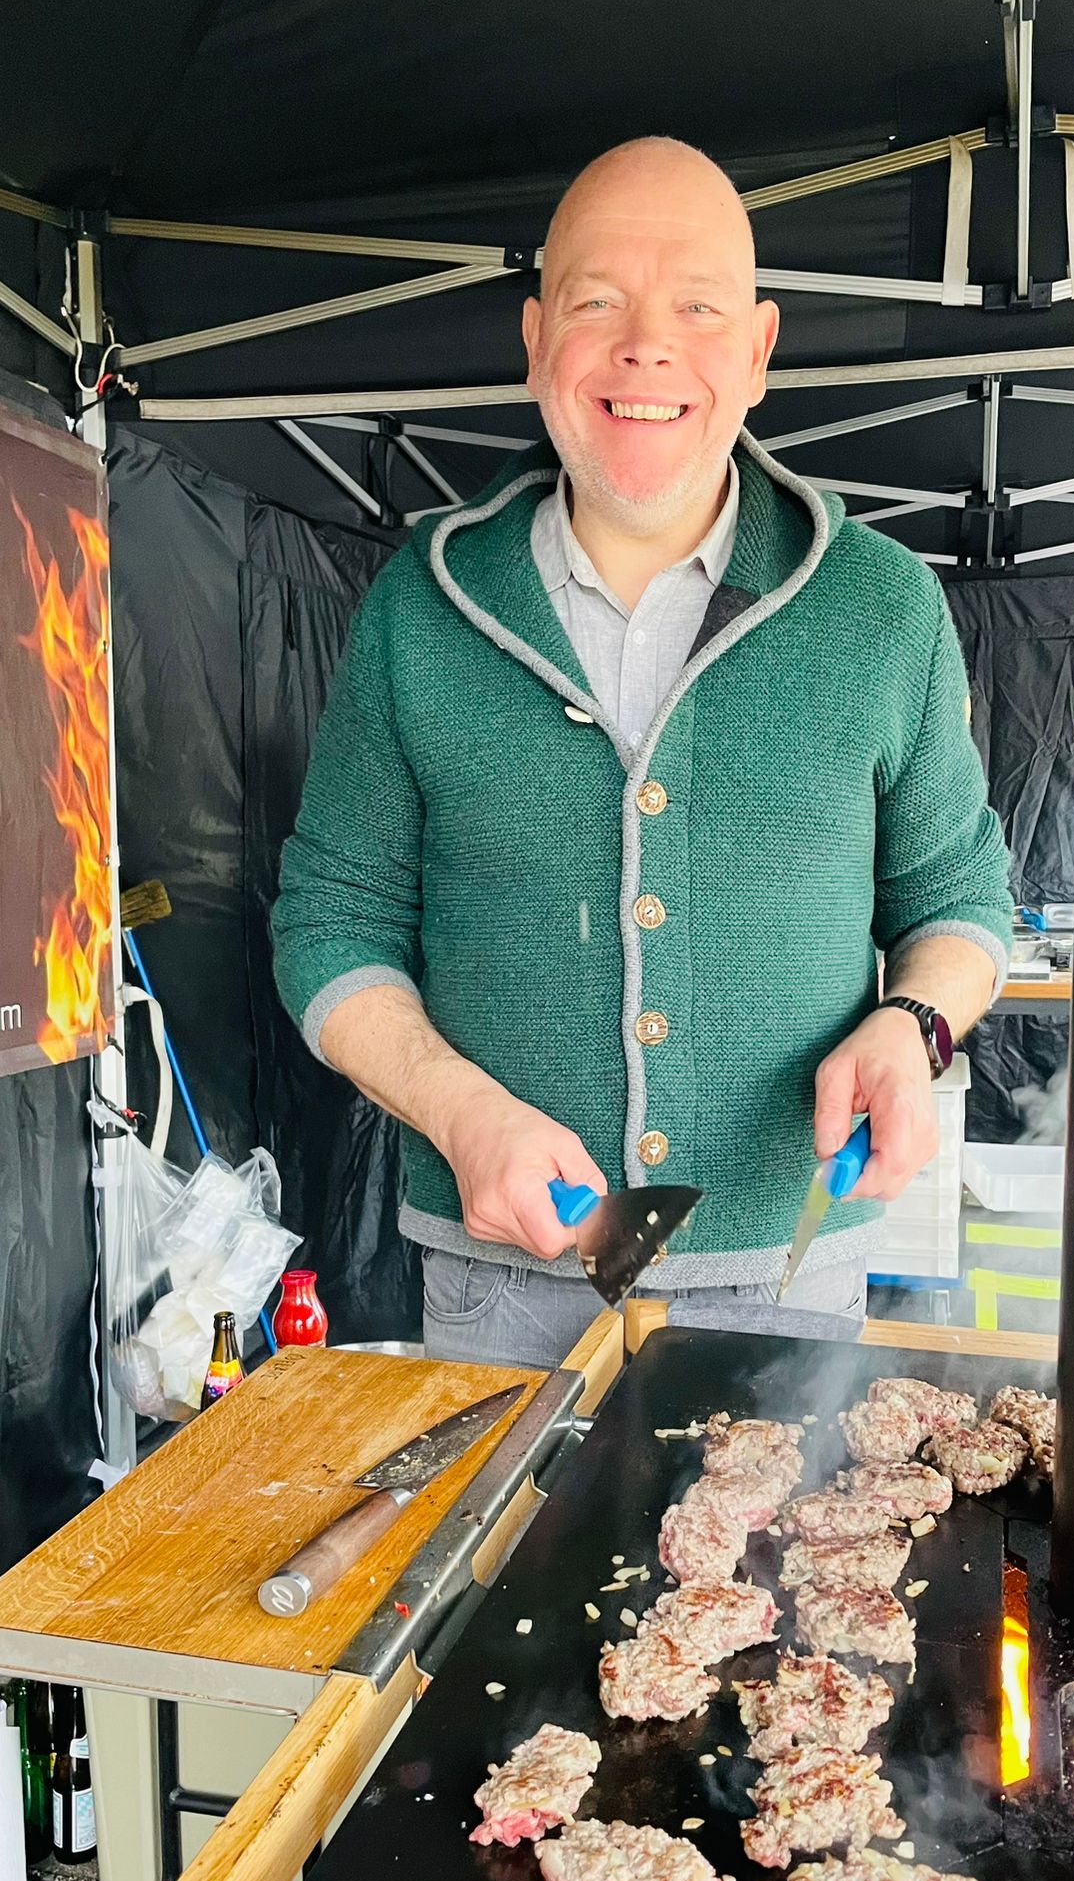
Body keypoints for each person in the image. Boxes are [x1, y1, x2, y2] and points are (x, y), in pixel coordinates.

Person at [272, 135, 1012, 1367]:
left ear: (760, 351)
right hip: (500, 1288)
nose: (646, 347)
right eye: (597, 302)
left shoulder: (883, 609)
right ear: (535, 341)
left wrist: (915, 1025)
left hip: (789, 1277)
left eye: (698, 308)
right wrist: (460, 1113)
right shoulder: (420, 608)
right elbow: (328, 922)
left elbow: (961, 899)